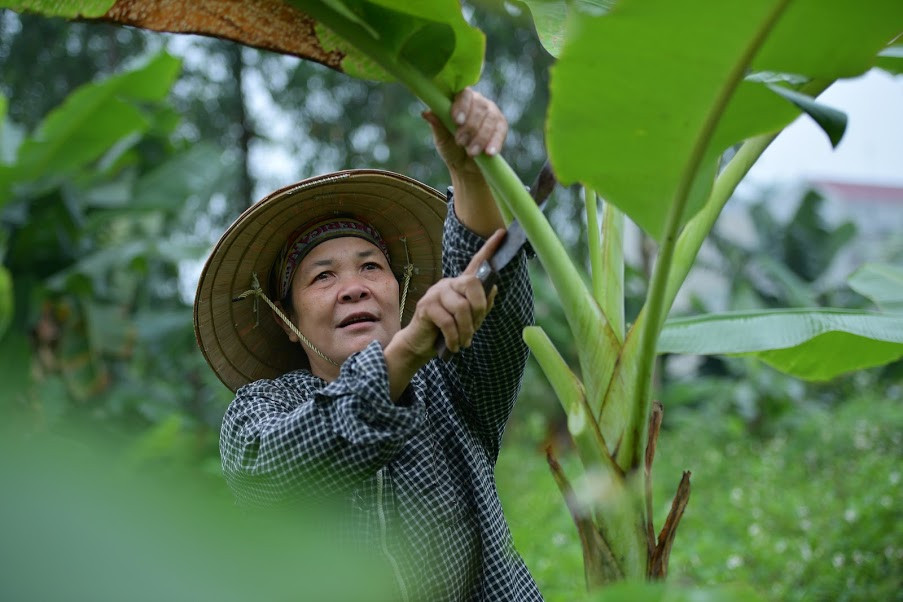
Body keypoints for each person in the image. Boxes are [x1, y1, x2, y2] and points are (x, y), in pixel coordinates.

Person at [193, 89, 543, 601]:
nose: (353, 286)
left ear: (400, 294)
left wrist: (468, 170)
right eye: (322, 276)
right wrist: (407, 350)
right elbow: (274, 469)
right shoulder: (260, 412)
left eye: (371, 266)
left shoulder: (453, 387)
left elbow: (489, 295)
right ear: (288, 322)